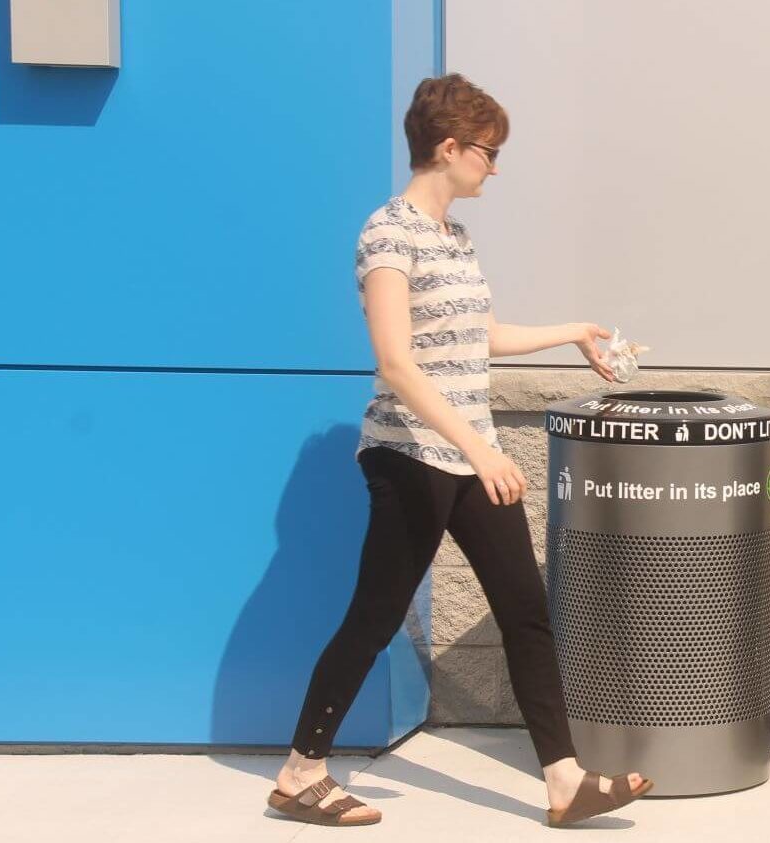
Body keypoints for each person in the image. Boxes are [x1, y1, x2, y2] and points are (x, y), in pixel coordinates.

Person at [266, 73, 651, 828]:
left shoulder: (455, 238)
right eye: (489, 152)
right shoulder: (387, 233)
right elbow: (397, 363)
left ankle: (565, 781)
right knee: (375, 618)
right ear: (449, 148)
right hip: (411, 456)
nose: (495, 167)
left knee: (526, 612)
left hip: (470, 455)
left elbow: (482, 339)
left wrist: (575, 332)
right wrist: (479, 447)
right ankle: (299, 772)